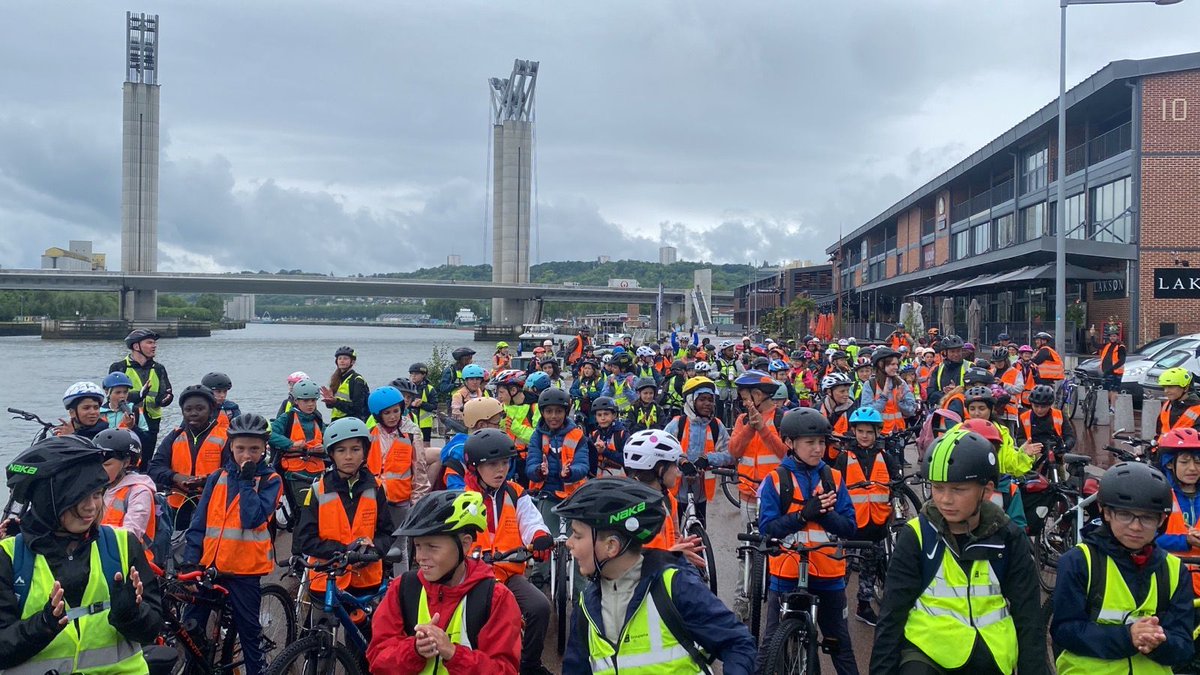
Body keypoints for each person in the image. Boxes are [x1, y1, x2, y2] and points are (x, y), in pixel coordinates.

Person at [871, 428, 1048, 675]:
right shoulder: (916, 535)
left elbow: (1028, 617)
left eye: (958, 489)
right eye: (938, 487)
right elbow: (892, 615)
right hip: (928, 656)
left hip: (991, 657)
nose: (945, 499)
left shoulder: (1008, 537)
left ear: (986, 490)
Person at [557, 478, 757, 674]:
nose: (569, 543)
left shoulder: (674, 587)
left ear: (611, 546)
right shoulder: (586, 607)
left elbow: (738, 643)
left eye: (577, 535)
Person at [0, 435, 162, 673]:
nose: (91, 507)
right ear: (46, 500)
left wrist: (131, 615)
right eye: (79, 497)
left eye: (97, 494)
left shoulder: (123, 544)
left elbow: (152, 631)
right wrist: (43, 625)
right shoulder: (9, 556)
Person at [1051, 461, 1194, 672]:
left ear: (1161, 519)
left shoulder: (1174, 570)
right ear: (1106, 513)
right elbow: (1064, 631)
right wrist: (1128, 637)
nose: (1136, 526)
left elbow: (1184, 646)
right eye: (1125, 515)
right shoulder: (1079, 561)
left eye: (1147, 518)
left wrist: (1158, 643)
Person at [366, 490, 523, 674]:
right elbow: (377, 659)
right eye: (417, 546)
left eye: (432, 547)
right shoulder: (403, 588)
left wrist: (454, 654)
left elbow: (505, 670)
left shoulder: (496, 598)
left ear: (465, 544)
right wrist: (413, 650)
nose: (420, 557)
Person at [180, 414, 283, 675]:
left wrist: (247, 482)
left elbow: (252, 518)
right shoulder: (218, 477)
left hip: (244, 571)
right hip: (210, 566)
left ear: (264, 449)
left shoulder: (271, 480)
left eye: (254, 449)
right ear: (231, 447)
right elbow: (199, 523)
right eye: (240, 448)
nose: (246, 455)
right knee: (190, 627)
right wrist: (191, 561)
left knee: (249, 633)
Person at [758, 408, 859, 674]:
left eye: (822, 442)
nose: (818, 449)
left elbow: (850, 527)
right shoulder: (776, 480)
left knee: (840, 645)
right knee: (770, 645)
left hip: (828, 575)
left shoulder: (834, 477)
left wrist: (825, 515)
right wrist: (803, 515)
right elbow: (768, 528)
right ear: (790, 443)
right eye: (810, 442)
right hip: (786, 573)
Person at [461, 430, 555, 675]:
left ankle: (529, 665)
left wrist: (539, 536)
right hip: (472, 578)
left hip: (508, 573)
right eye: (492, 464)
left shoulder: (515, 492)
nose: (500, 470)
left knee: (539, 607)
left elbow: (531, 521)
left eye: (504, 462)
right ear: (474, 467)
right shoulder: (462, 497)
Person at [292, 416, 394, 607]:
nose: (348, 456)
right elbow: (305, 539)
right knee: (320, 622)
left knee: (366, 622)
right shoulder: (318, 490)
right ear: (331, 454)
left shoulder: (376, 488)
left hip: (366, 579)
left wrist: (373, 551)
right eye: (341, 450)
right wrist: (344, 551)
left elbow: (386, 532)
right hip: (326, 579)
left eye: (355, 449)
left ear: (364, 452)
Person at [836, 407, 899, 626]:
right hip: (852, 526)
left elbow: (895, 484)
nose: (864, 436)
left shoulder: (886, 458)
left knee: (870, 569)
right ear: (853, 431)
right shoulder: (844, 458)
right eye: (860, 431)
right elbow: (835, 487)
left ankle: (864, 606)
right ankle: (835, 605)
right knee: (842, 569)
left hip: (877, 525)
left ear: (877, 433)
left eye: (869, 432)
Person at [524, 387, 589, 584]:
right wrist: (539, 470)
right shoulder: (537, 436)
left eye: (559, 411)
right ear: (542, 412)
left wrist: (570, 472)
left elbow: (583, 465)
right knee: (544, 539)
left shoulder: (577, 435)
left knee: (579, 544)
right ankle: (539, 577)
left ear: (566, 412)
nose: (554, 416)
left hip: (574, 497)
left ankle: (580, 588)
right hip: (548, 493)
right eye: (549, 411)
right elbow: (531, 465)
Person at [621, 430, 706, 569]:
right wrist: (672, 555)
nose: (678, 472)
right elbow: (632, 565)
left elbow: (673, 536)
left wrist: (678, 550)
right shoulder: (629, 507)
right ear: (661, 470)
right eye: (674, 465)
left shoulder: (668, 499)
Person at [148, 384, 228, 527]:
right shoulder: (175, 436)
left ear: (211, 410)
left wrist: (205, 481)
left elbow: (231, 471)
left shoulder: (226, 437)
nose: (193, 413)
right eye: (188, 409)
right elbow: (154, 467)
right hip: (177, 507)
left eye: (200, 409)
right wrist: (176, 477)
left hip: (212, 504)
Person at [663, 376, 733, 529]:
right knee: (673, 531)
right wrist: (681, 461)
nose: (707, 403)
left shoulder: (716, 425)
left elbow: (730, 454)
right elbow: (662, 449)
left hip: (700, 492)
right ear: (691, 400)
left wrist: (708, 459)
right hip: (675, 491)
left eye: (710, 400)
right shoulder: (677, 424)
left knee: (699, 532)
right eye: (702, 399)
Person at [109, 328, 173, 466]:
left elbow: (166, 391)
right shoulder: (120, 367)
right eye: (149, 342)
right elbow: (113, 396)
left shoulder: (159, 368)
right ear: (136, 346)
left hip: (152, 420)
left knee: (147, 458)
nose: (154, 346)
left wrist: (165, 399)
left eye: (154, 343)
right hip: (129, 417)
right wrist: (139, 395)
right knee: (124, 456)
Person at [97, 428, 159, 563]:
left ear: (126, 463)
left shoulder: (139, 492)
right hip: (102, 555)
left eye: (107, 464)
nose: (99, 470)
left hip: (131, 561)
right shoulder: (99, 489)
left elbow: (132, 534)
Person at [269, 378, 327, 520]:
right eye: (306, 401)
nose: (310, 404)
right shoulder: (287, 418)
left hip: (317, 471)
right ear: (296, 401)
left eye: (313, 400)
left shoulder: (317, 419)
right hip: (295, 472)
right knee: (303, 509)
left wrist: (324, 447)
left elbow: (329, 438)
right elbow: (269, 434)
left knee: (319, 508)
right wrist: (290, 444)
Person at [365, 388, 418, 536]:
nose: (393, 416)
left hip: (400, 498)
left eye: (396, 411)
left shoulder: (411, 434)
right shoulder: (371, 433)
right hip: (375, 496)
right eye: (387, 413)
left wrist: (417, 501)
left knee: (400, 540)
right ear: (378, 415)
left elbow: (419, 469)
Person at [1155, 427, 1200, 598]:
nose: (1193, 468)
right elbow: (1146, 539)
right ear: (1169, 464)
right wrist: (1185, 541)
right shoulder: (1160, 496)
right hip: (1168, 583)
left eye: (1198, 462)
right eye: (1184, 462)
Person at [438, 397, 506, 491]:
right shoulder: (459, 453)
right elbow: (455, 491)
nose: (500, 428)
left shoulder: (484, 446)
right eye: (497, 424)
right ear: (482, 425)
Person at [859, 347, 917, 436]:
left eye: (897, 364)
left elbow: (911, 411)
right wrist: (883, 397)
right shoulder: (870, 384)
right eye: (892, 364)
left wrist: (900, 402)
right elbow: (866, 413)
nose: (896, 367)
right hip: (878, 435)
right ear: (881, 365)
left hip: (898, 434)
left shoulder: (901, 383)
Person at [322, 345, 370, 422]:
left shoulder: (357, 380)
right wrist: (329, 401)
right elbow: (332, 406)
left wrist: (335, 401)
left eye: (345, 358)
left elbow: (357, 407)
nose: (342, 361)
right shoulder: (336, 379)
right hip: (336, 420)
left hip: (352, 421)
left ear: (352, 362)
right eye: (340, 358)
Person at [589, 396, 628, 477]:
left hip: (619, 480)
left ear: (614, 415)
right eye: (599, 415)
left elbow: (628, 459)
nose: (602, 418)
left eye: (606, 414)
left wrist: (605, 451)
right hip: (598, 480)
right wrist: (594, 451)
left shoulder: (622, 434)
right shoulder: (594, 435)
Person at [1155, 367, 1200, 438]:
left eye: (1171, 387)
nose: (1166, 391)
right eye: (1164, 387)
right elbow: (1159, 431)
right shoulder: (1167, 405)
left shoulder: (1197, 409)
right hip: (1163, 444)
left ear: (1186, 388)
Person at [990, 347, 1024, 431]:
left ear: (1006, 360)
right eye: (996, 361)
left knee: (1009, 436)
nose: (998, 363)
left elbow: (1019, 389)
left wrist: (1003, 384)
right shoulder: (990, 372)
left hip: (1009, 412)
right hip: (993, 410)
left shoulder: (1016, 372)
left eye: (1000, 361)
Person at [930, 334, 967, 406]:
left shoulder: (970, 367)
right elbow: (931, 393)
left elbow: (975, 391)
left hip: (963, 408)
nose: (956, 354)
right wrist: (944, 393)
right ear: (945, 353)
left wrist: (956, 391)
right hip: (943, 408)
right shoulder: (938, 369)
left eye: (958, 351)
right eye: (952, 351)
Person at [407, 363, 439, 444]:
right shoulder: (407, 388)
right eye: (412, 374)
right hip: (409, 422)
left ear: (423, 375)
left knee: (425, 446)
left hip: (425, 424)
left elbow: (434, 406)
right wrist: (411, 405)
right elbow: (402, 404)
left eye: (416, 374)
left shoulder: (430, 389)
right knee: (410, 445)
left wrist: (422, 404)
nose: (413, 376)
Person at [1097, 326, 1126, 414]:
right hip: (1107, 371)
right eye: (1111, 336)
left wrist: (1112, 368)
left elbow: (1122, 360)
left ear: (1117, 337)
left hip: (1116, 372)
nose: (1112, 338)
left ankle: (1113, 407)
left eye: (1114, 336)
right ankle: (1110, 405)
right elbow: (1095, 345)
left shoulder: (1120, 347)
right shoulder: (1107, 345)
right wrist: (1092, 336)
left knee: (1114, 390)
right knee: (1107, 390)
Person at [569, 359, 604, 431]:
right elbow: (572, 390)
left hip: (592, 409)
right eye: (585, 368)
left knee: (593, 427)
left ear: (594, 370)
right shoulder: (580, 379)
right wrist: (581, 392)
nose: (586, 371)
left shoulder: (598, 380)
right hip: (580, 408)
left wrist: (588, 394)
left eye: (589, 368)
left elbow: (600, 393)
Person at [600, 352, 637, 417]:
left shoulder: (633, 379)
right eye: (611, 366)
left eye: (615, 367)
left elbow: (636, 400)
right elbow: (603, 397)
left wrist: (627, 390)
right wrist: (611, 388)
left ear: (623, 369)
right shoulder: (610, 378)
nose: (612, 369)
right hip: (613, 414)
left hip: (629, 415)